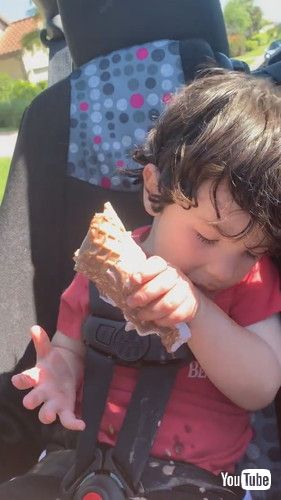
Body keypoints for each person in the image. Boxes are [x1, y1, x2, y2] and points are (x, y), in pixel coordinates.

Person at [6, 68, 281, 498]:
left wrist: (199, 311)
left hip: (196, 478)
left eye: (249, 250)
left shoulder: (251, 283)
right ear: (156, 188)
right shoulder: (103, 266)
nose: (224, 270)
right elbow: (69, 346)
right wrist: (59, 371)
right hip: (79, 459)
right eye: (206, 237)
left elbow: (260, 387)